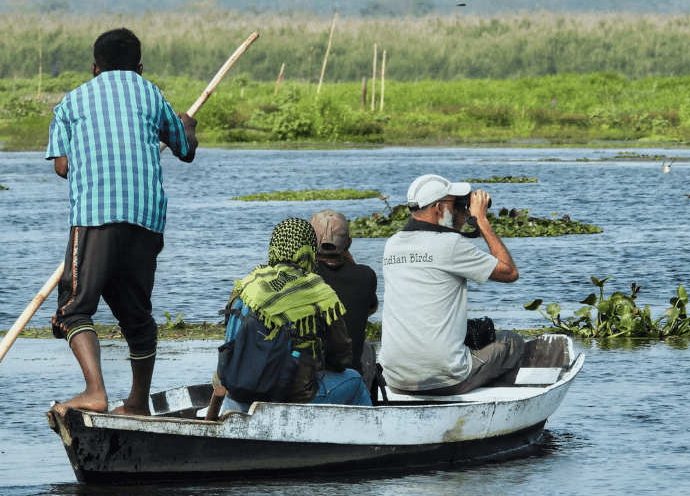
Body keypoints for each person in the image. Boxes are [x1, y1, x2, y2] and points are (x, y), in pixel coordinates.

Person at [46, 27, 198, 417]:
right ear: (140, 67)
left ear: (95, 68)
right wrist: (189, 129)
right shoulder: (151, 93)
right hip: (146, 219)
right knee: (136, 316)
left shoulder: (71, 102)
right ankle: (136, 404)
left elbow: (63, 168)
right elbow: (184, 149)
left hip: (96, 216)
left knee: (73, 309)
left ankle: (95, 392)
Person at [379, 174, 524, 396]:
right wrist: (481, 221)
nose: (461, 210)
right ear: (438, 208)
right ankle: (488, 409)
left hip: (395, 378)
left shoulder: (393, 244)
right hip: (446, 378)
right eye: (455, 204)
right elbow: (509, 272)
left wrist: (460, 220)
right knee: (511, 342)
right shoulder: (451, 245)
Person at [219, 217, 372, 413]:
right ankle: (375, 441)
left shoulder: (247, 286)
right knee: (355, 381)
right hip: (291, 400)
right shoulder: (319, 293)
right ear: (310, 250)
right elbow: (342, 358)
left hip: (237, 396)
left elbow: (229, 342)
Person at [309, 209, 379, 392]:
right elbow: (370, 308)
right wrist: (351, 263)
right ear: (349, 242)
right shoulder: (366, 275)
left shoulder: (304, 276)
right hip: (349, 375)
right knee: (367, 348)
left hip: (310, 376)